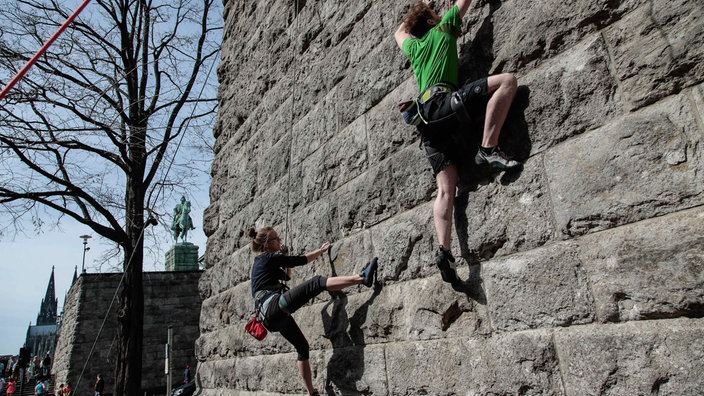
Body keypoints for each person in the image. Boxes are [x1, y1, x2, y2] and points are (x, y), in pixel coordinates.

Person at [394, 0, 521, 286]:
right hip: (444, 104)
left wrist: (422, 6)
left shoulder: (414, 48)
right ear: (430, 21)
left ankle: (445, 251)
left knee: (445, 189)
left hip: (427, 125)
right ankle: (488, 148)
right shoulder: (443, 27)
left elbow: (398, 32)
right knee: (508, 81)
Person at [248, 227, 378, 396]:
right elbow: (301, 260)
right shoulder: (267, 258)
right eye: (276, 238)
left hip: (270, 318)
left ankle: (311, 392)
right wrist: (321, 250)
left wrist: (284, 257)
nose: (280, 241)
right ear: (266, 244)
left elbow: (287, 276)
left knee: (302, 347)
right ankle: (361, 278)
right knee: (317, 282)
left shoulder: (264, 262)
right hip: (273, 307)